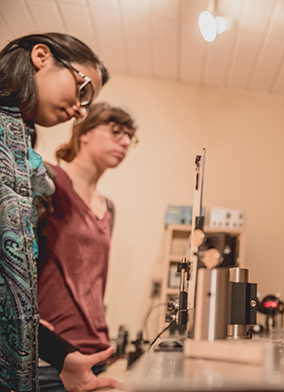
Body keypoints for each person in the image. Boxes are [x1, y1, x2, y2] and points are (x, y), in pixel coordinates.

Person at [0, 33, 119, 392]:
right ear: (41, 56)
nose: (81, 111)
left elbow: (10, 290)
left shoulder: (21, 145)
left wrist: (61, 355)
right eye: (83, 90)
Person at [36, 102, 138, 392]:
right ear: (84, 133)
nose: (126, 142)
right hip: (51, 355)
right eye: (116, 131)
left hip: (96, 350)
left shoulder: (109, 208)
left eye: (130, 136)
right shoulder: (47, 180)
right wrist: (29, 319)